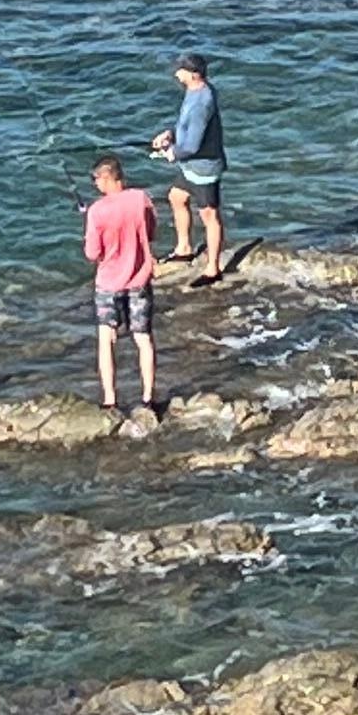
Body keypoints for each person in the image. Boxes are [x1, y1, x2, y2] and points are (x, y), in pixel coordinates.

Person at [82, 154, 161, 434]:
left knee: (107, 340)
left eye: (96, 179)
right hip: (139, 279)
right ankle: (148, 398)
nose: (95, 184)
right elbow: (150, 232)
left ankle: (109, 400)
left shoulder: (96, 211)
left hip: (108, 283)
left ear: (106, 177)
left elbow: (92, 253)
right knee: (143, 339)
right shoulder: (141, 199)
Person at [150, 50, 229, 285]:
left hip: (204, 169)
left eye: (180, 70)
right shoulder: (196, 91)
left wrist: (172, 153)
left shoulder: (201, 104)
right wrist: (170, 134)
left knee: (209, 215)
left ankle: (213, 269)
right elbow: (188, 128)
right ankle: (184, 248)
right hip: (191, 167)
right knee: (176, 197)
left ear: (193, 75)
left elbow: (192, 145)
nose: (176, 74)